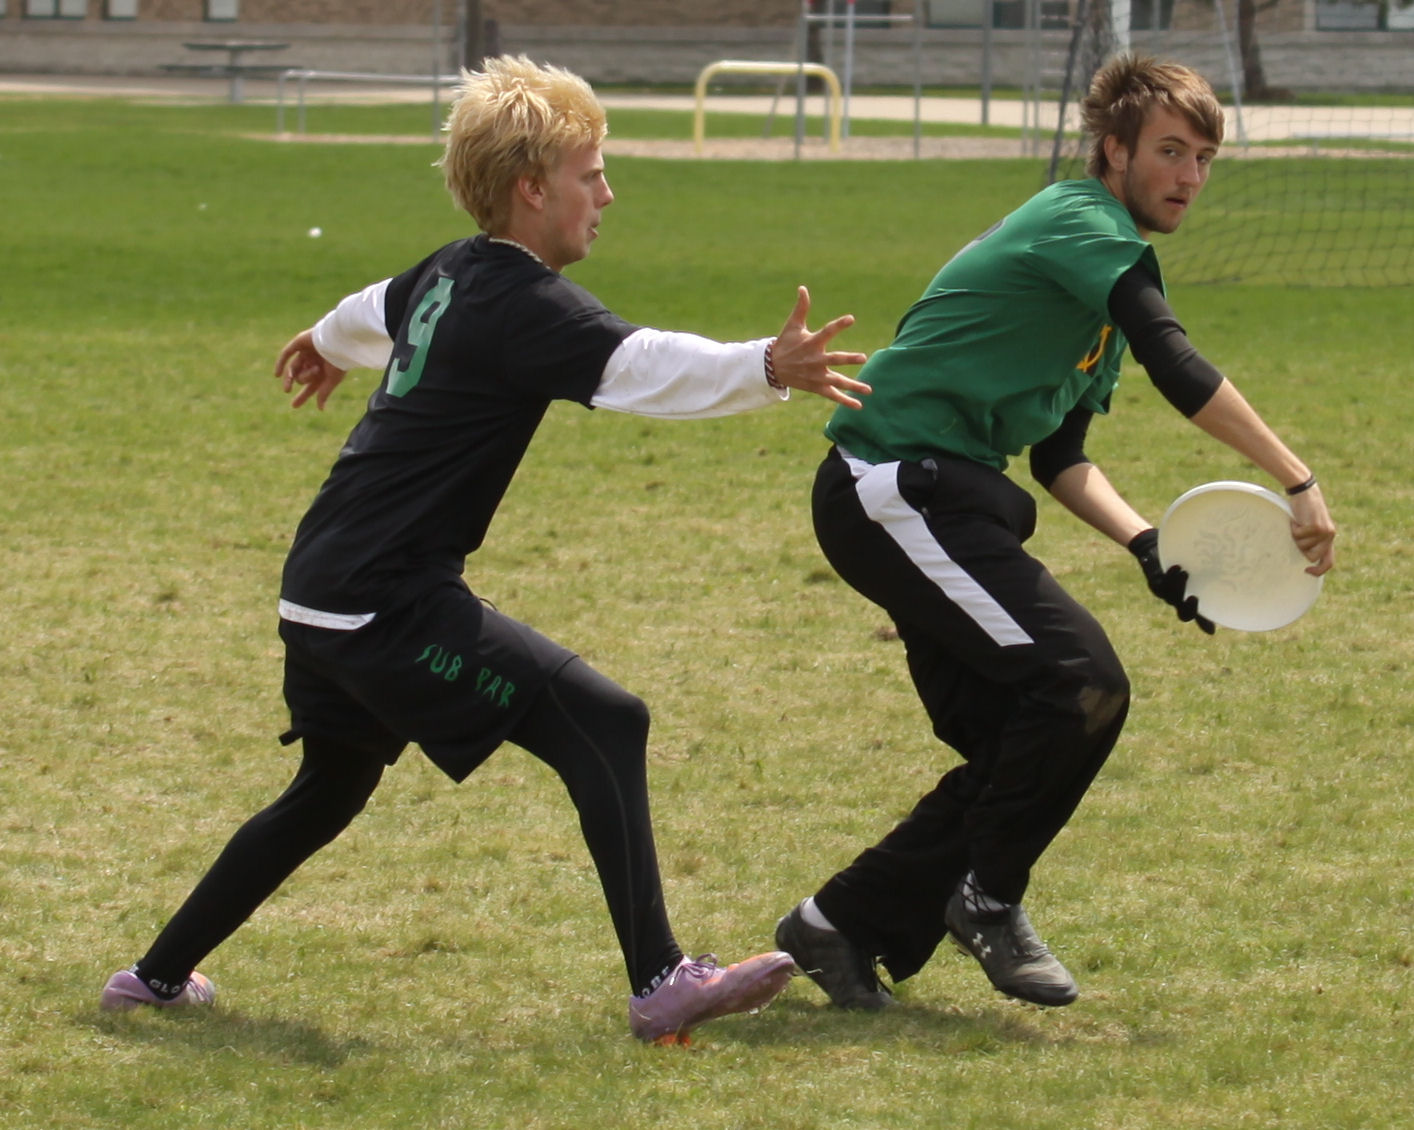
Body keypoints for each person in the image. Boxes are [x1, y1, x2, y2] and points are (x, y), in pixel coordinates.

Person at [100, 54, 870, 1046]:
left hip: (319, 584)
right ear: (532, 188)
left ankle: (152, 981)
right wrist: (764, 364)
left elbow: (371, 308)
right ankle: (661, 980)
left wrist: (325, 342)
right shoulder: (525, 304)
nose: (607, 195)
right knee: (608, 721)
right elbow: (637, 367)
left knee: (329, 789)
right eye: (592, 174)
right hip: (383, 602)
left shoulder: (450, 270)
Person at [772, 54, 1336, 1011]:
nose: (1190, 176)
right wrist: (1297, 478)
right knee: (1078, 682)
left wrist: (1147, 544)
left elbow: (1061, 456)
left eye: (1204, 158)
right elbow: (1176, 359)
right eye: (1169, 151)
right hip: (892, 487)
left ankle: (837, 925)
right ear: (1112, 151)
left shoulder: (1099, 294)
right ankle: (987, 901)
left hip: (946, 498)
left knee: (1025, 736)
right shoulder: (1083, 223)